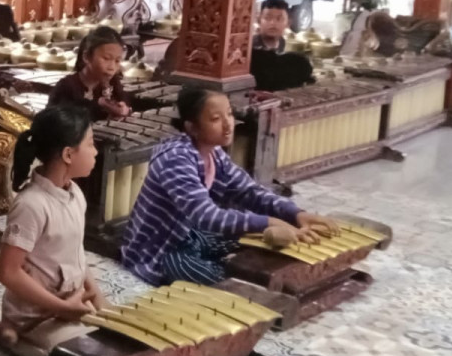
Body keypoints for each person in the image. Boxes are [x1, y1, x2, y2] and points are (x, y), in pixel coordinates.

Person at [121, 86, 340, 286]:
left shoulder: (214, 154)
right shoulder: (175, 159)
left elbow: (250, 192)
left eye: (229, 114)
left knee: (247, 236)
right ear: (192, 127)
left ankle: (247, 272)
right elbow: (208, 216)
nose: (228, 124)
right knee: (219, 279)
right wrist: (269, 222)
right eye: (216, 118)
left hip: (193, 235)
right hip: (162, 250)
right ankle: (239, 279)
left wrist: (296, 214)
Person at [0, 105, 109, 356]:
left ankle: (9, 332)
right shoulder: (31, 205)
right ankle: (13, 331)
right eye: (91, 144)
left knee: (119, 339)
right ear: (68, 154)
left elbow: (75, 254)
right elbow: (8, 272)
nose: (96, 152)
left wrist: (97, 297)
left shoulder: (75, 194)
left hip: (67, 305)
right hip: (39, 316)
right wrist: (62, 308)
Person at [48, 25, 131, 120]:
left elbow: (124, 101)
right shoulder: (66, 87)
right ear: (86, 57)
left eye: (117, 61)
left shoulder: (113, 82)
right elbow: (61, 123)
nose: (112, 67)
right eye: (106, 59)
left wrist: (124, 109)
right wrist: (99, 104)